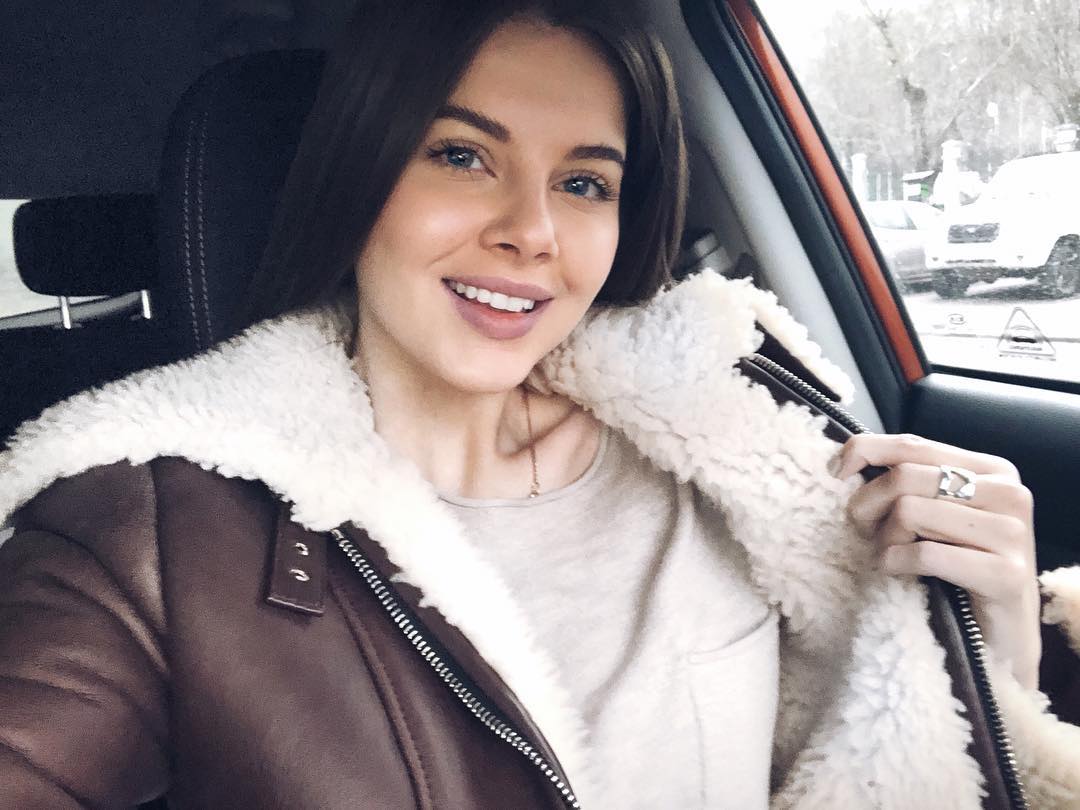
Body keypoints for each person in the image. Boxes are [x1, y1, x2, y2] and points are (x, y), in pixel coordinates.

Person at [1, 1, 1078, 807]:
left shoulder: (737, 423)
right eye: (462, 156)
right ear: (360, 173)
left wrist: (985, 653)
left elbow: (899, 747)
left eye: (584, 182)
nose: (533, 232)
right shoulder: (148, 523)